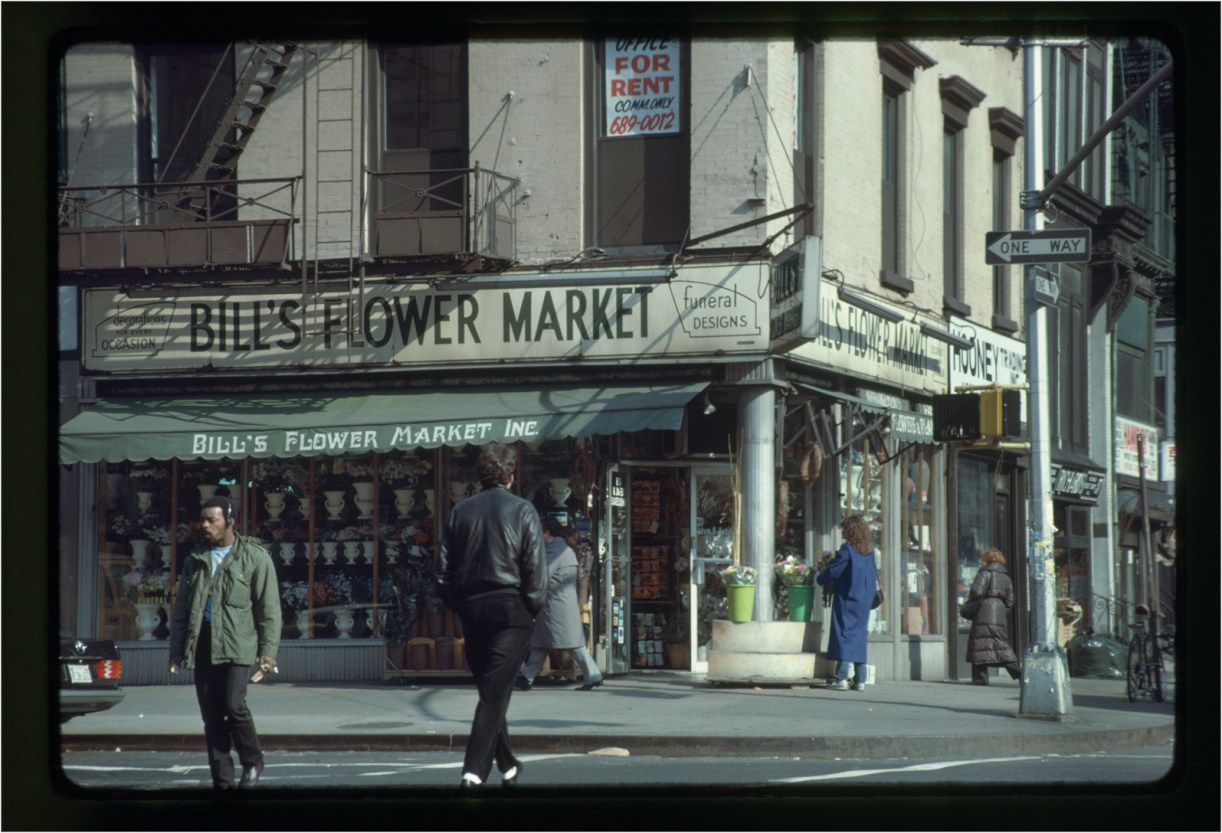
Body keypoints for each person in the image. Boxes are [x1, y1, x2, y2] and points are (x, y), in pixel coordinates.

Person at [437, 442, 548, 788]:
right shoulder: (523, 510)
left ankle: (509, 764)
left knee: (491, 688)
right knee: (494, 694)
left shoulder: (460, 512)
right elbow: (535, 569)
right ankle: (473, 773)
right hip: (511, 607)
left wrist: (460, 602)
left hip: (473, 607)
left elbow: (441, 572)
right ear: (511, 477)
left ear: (481, 476)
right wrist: (530, 607)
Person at [169, 496, 281, 789]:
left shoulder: (255, 557)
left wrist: (268, 653)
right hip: (202, 645)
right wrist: (177, 651)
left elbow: (268, 611)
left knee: (234, 705)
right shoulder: (195, 559)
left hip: (237, 645)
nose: (204, 525)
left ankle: (253, 760)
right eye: (202, 519)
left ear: (230, 522)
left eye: (211, 520)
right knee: (211, 716)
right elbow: (181, 610)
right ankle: (223, 781)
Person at [517, 516, 604, 691]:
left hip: (556, 603)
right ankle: (527, 676)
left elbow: (542, 574)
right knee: (542, 641)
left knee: (571, 643)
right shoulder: (559, 547)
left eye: (538, 531)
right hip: (557, 602)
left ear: (547, 532)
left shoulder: (555, 549)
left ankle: (594, 675)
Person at [816, 514, 878, 691]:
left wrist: (819, 577)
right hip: (864, 600)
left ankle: (841, 677)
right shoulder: (869, 552)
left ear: (850, 531)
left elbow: (834, 572)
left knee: (843, 633)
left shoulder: (847, 550)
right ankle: (860, 679)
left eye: (844, 529)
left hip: (848, 597)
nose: (842, 532)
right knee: (858, 635)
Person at [965, 548, 1021, 685]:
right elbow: (1010, 601)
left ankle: (980, 679)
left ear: (987, 560)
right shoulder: (1006, 577)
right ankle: (1020, 673)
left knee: (979, 643)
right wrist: (1002, 612)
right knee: (1000, 644)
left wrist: (974, 601)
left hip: (984, 610)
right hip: (999, 612)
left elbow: (976, 590)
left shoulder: (985, 573)